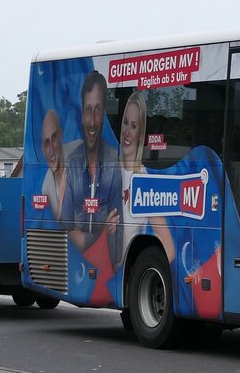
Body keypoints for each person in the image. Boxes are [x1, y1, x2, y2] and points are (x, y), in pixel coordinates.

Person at [62, 71, 121, 253]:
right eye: (88, 110)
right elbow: (67, 225)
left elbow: (116, 233)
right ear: (82, 113)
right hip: (79, 263)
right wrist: (102, 231)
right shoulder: (72, 162)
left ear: (104, 114)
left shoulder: (114, 162)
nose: (93, 121)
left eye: (97, 110)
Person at [118, 90, 175, 263]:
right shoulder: (107, 169)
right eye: (126, 123)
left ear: (141, 133)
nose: (127, 132)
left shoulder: (144, 180)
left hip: (118, 272)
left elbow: (170, 249)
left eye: (134, 126)